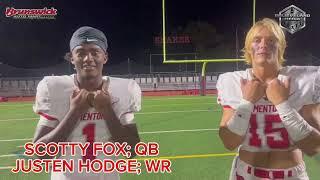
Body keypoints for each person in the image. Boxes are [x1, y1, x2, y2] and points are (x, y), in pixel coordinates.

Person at [32, 26, 141, 180]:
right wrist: (74, 112)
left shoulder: (122, 90)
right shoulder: (54, 88)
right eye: (81, 53)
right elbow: (40, 153)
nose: (88, 58)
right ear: (72, 58)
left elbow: (131, 151)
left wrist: (107, 110)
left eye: (95, 52)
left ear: (105, 57)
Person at [217, 18, 320, 180]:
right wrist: (247, 102)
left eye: (272, 40)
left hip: (291, 175)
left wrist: (282, 104)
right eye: (257, 40)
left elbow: (314, 146)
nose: (264, 44)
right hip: (246, 174)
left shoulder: (303, 80)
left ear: (282, 47)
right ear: (248, 48)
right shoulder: (234, 81)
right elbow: (229, 142)